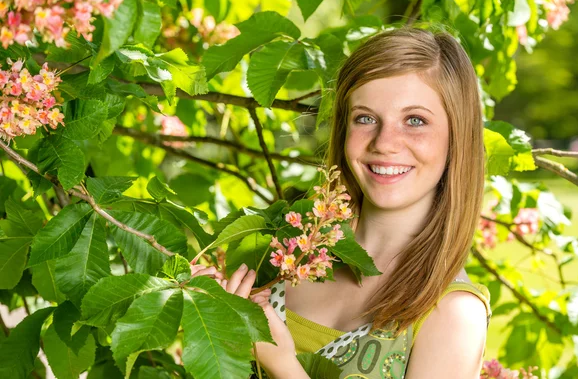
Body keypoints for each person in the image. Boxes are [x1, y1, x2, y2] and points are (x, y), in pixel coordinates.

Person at [193, 27, 491, 378]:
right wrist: (211, 314)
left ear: (457, 137)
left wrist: (281, 364)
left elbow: (274, 357)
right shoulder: (297, 253)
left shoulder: (453, 313)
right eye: (365, 118)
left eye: (415, 120)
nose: (384, 142)